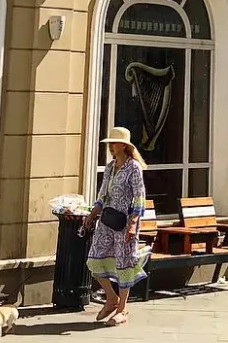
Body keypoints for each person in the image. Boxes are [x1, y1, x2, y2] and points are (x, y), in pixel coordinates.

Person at [82, 126, 149, 327]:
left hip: (125, 222)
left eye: (114, 143)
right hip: (107, 220)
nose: (111, 146)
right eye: (110, 143)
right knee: (94, 260)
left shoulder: (133, 168)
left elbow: (139, 197)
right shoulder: (110, 167)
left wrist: (133, 224)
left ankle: (122, 309)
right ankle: (111, 298)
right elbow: (103, 195)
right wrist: (91, 215)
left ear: (124, 146)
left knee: (123, 263)